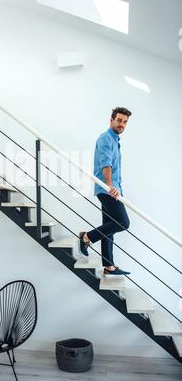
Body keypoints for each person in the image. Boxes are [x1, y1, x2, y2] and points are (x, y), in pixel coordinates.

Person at [79, 107, 132, 275]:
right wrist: (110, 187)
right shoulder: (106, 139)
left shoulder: (115, 140)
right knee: (123, 223)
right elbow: (106, 165)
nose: (121, 124)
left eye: (125, 122)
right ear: (111, 120)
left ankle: (109, 266)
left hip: (112, 189)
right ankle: (87, 237)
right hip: (107, 189)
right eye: (119, 120)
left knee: (110, 226)